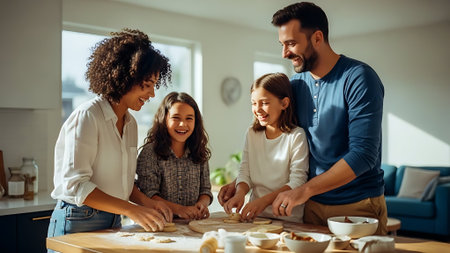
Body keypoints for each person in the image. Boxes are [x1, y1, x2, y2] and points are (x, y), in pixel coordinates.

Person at [219, 2, 387, 235]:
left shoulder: (358, 78)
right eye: (282, 44)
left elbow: (363, 154)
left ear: (317, 38)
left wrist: (304, 190)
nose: (284, 53)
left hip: (358, 205)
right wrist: (240, 186)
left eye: (291, 43)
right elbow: (285, 143)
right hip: (310, 207)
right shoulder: (296, 85)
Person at [48, 29, 173, 240]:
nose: (152, 94)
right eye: (148, 85)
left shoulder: (131, 124)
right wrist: (132, 210)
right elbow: (77, 185)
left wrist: (148, 204)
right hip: (77, 219)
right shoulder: (88, 116)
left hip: (114, 218)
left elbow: (121, 182)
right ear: (127, 76)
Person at [222, 73, 309, 223]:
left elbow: (297, 182)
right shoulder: (252, 133)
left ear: (284, 103)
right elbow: (245, 171)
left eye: (264, 103)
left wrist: (262, 202)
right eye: (253, 103)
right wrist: (240, 194)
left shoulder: (296, 136)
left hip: (288, 219)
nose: (258, 109)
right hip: (255, 217)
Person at [135, 92, 213, 220]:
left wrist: (202, 204)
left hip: (192, 225)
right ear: (164, 119)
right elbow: (149, 195)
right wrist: (179, 210)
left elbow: (205, 190)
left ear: (196, 122)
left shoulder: (199, 151)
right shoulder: (150, 153)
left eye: (189, 118)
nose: (183, 124)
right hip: (158, 225)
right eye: (176, 118)